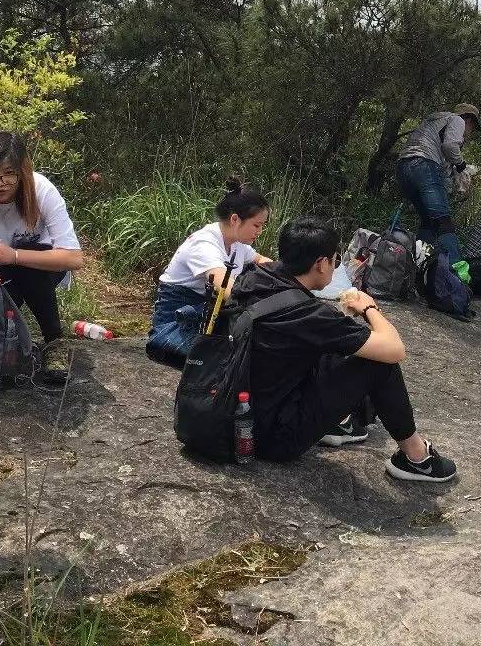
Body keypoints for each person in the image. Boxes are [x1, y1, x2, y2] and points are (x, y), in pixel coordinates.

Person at [230, 217, 458, 483]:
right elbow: (395, 350)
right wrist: (369, 308)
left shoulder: (253, 280)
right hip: (273, 438)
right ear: (320, 263)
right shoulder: (309, 315)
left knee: (339, 347)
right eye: (335, 261)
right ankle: (418, 458)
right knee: (378, 363)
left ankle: (341, 422)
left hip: (238, 415)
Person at [0, 131, 83, 386]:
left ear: (22, 171)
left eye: (9, 174)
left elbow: (74, 258)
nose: (0, 183)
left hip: (39, 269)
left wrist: (16, 255)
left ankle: (54, 341)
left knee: (28, 268)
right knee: (2, 276)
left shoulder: (41, 189)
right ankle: (0, 341)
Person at [147, 178, 273, 368]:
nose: (260, 231)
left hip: (208, 317)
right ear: (235, 219)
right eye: (257, 225)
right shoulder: (204, 243)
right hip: (178, 322)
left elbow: (260, 260)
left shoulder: (237, 243)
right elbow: (226, 287)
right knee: (233, 359)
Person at [395, 104, 480, 262]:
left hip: (403, 167)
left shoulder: (435, 121)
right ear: (469, 120)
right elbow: (450, 145)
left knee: (428, 221)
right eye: (473, 127)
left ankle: (417, 264)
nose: (470, 132)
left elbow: (443, 163)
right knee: (443, 221)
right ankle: (456, 272)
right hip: (424, 164)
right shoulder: (457, 120)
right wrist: (461, 165)